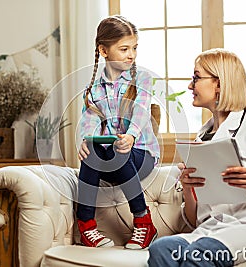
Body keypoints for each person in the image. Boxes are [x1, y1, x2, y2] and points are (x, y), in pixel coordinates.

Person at [148, 48, 246, 266]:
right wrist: (189, 189)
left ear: (219, 83)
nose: (190, 85)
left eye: (196, 77)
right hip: (216, 227)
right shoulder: (203, 136)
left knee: (203, 252)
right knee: (161, 249)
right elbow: (194, 220)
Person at [76, 15, 160, 250]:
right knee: (94, 147)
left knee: (118, 148)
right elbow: (89, 118)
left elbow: (142, 112)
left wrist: (131, 135)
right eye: (124, 49)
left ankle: (144, 222)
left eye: (134, 48)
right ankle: (86, 226)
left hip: (141, 157)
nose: (131, 54)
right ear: (103, 50)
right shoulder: (93, 87)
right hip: (110, 161)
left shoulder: (142, 78)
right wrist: (85, 141)